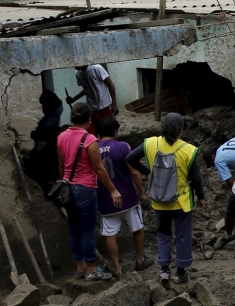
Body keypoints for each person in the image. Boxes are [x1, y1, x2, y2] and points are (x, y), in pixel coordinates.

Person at [129, 112, 205, 283]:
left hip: (159, 200)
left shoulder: (150, 143)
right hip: (181, 202)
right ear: (181, 132)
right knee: (183, 235)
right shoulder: (188, 149)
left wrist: (147, 172)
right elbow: (196, 177)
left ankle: (164, 270)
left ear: (162, 129)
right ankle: (180, 272)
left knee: (163, 233)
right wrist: (201, 197)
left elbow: (130, 158)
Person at [56, 102, 112, 281]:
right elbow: (99, 169)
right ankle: (92, 270)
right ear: (89, 120)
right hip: (85, 189)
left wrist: (66, 182)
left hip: (68, 189)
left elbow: (61, 165)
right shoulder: (90, 140)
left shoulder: (62, 136)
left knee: (74, 230)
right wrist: (113, 190)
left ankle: (79, 267)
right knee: (87, 231)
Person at [94, 116, 144, 280]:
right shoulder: (123, 146)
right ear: (115, 132)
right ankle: (140, 259)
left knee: (110, 234)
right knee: (137, 228)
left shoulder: (92, 149)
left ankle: (117, 268)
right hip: (127, 196)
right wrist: (142, 192)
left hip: (105, 199)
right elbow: (134, 171)